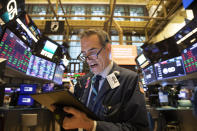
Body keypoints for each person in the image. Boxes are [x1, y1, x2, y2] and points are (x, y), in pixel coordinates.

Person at [54, 29, 149, 131]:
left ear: (108, 48)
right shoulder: (83, 81)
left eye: (92, 52)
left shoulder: (129, 80)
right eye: (84, 54)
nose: (88, 59)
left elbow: (138, 128)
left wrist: (92, 126)